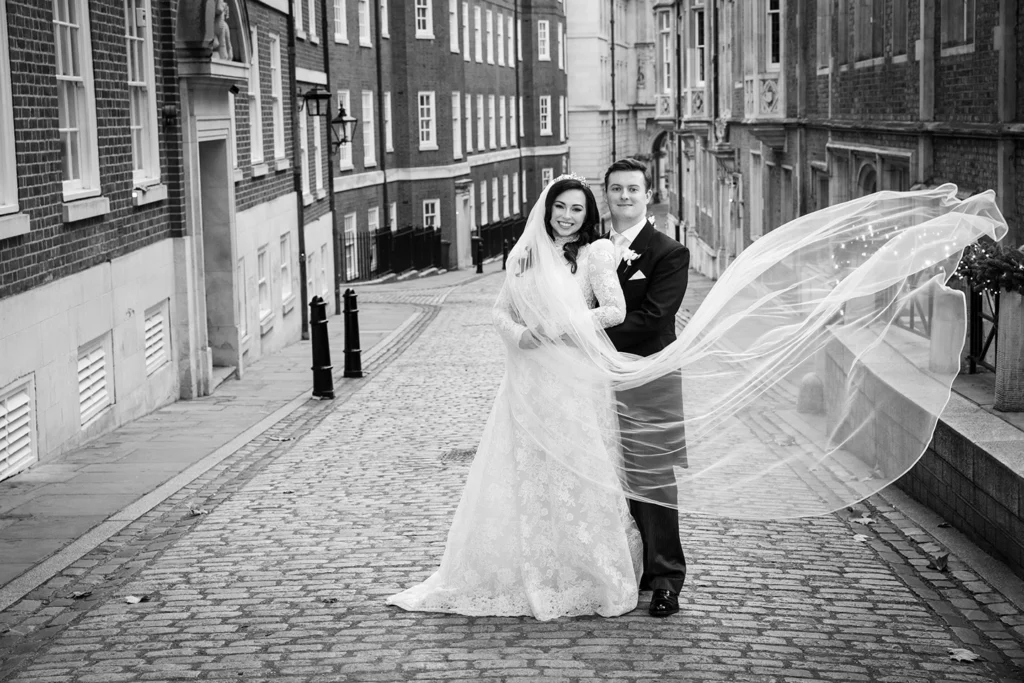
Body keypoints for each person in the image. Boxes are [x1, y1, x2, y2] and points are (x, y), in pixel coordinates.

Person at [386, 175, 644, 621]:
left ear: (588, 215)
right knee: (527, 470)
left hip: (575, 380)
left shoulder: (595, 253)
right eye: (560, 207)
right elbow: (501, 310)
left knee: (575, 471)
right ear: (548, 209)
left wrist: (559, 326)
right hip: (528, 379)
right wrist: (523, 335)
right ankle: (530, 568)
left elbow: (614, 310)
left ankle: (585, 573)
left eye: (576, 210)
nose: (566, 216)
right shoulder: (525, 254)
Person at [603, 158, 689, 617]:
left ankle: (665, 579)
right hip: (596, 380)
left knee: (652, 479)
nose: (624, 196)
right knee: (607, 475)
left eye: (633, 189)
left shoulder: (668, 252)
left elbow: (655, 318)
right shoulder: (592, 248)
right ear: (607, 194)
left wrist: (584, 336)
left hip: (649, 378)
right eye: (616, 189)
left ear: (648, 194)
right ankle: (623, 568)